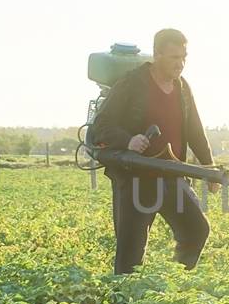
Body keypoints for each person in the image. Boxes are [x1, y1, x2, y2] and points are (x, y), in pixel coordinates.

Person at [87, 28, 216, 276]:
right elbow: (101, 125)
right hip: (136, 179)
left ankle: (175, 282)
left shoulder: (182, 88)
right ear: (157, 55)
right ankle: (125, 303)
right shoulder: (132, 83)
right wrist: (129, 140)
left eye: (183, 57)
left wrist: (209, 168)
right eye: (174, 58)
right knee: (131, 255)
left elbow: (195, 131)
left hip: (172, 174)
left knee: (196, 230)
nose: (180, 64)